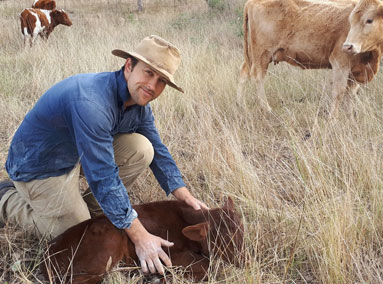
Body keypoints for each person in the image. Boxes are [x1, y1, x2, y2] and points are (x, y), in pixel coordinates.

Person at [0, 35, 208, 275]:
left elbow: (158, 149)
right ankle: (7, 200)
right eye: (148, 73)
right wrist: (140, 236)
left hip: (76, 154)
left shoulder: (139, 105)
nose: (153, 85)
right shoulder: (92, 103)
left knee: (144, 148)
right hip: (38, 166)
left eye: (162, 80)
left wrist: (183, 194)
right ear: (129, 66)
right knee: (77, 232)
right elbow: (103, 176)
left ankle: (96, 212)